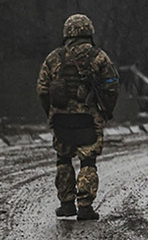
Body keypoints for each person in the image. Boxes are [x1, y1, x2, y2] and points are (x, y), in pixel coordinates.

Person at [36, 14, 119, 221]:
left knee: (63, 158)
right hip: (88, 118)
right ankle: (84, 206)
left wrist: (51, 113)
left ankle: (66, 204)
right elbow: (112, 85)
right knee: (87, 160)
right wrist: (105, 110)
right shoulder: (99, 57)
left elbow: (42, 89)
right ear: (89, 32)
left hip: (61, 118)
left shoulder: (54, 57)